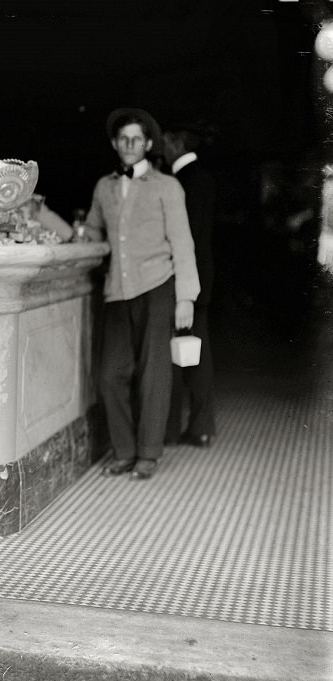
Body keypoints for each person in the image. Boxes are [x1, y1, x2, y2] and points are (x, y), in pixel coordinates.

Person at [82, 108, 200, 480]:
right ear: (115, 144)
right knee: (109, 376)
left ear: (148, 144)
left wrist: (185, 298)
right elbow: (91, 232)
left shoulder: (168, 186)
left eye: (137, 139)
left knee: (154, 373)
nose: (130, 145)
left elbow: (183, 243)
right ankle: (124, 451)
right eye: (123, 139)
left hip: (158, 285)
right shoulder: (104, 186)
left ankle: (148, 453)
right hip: (118, 289)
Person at [162, 122, 217, 448]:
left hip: (188, 280)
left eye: (165, 142)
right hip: (199, 277)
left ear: (177, 143)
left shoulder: (184, 181)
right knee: (195, 352)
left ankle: (195, 426)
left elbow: (187, 239)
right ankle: (199, 426)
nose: (161, 149)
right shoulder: (199, 177)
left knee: (190, 354)